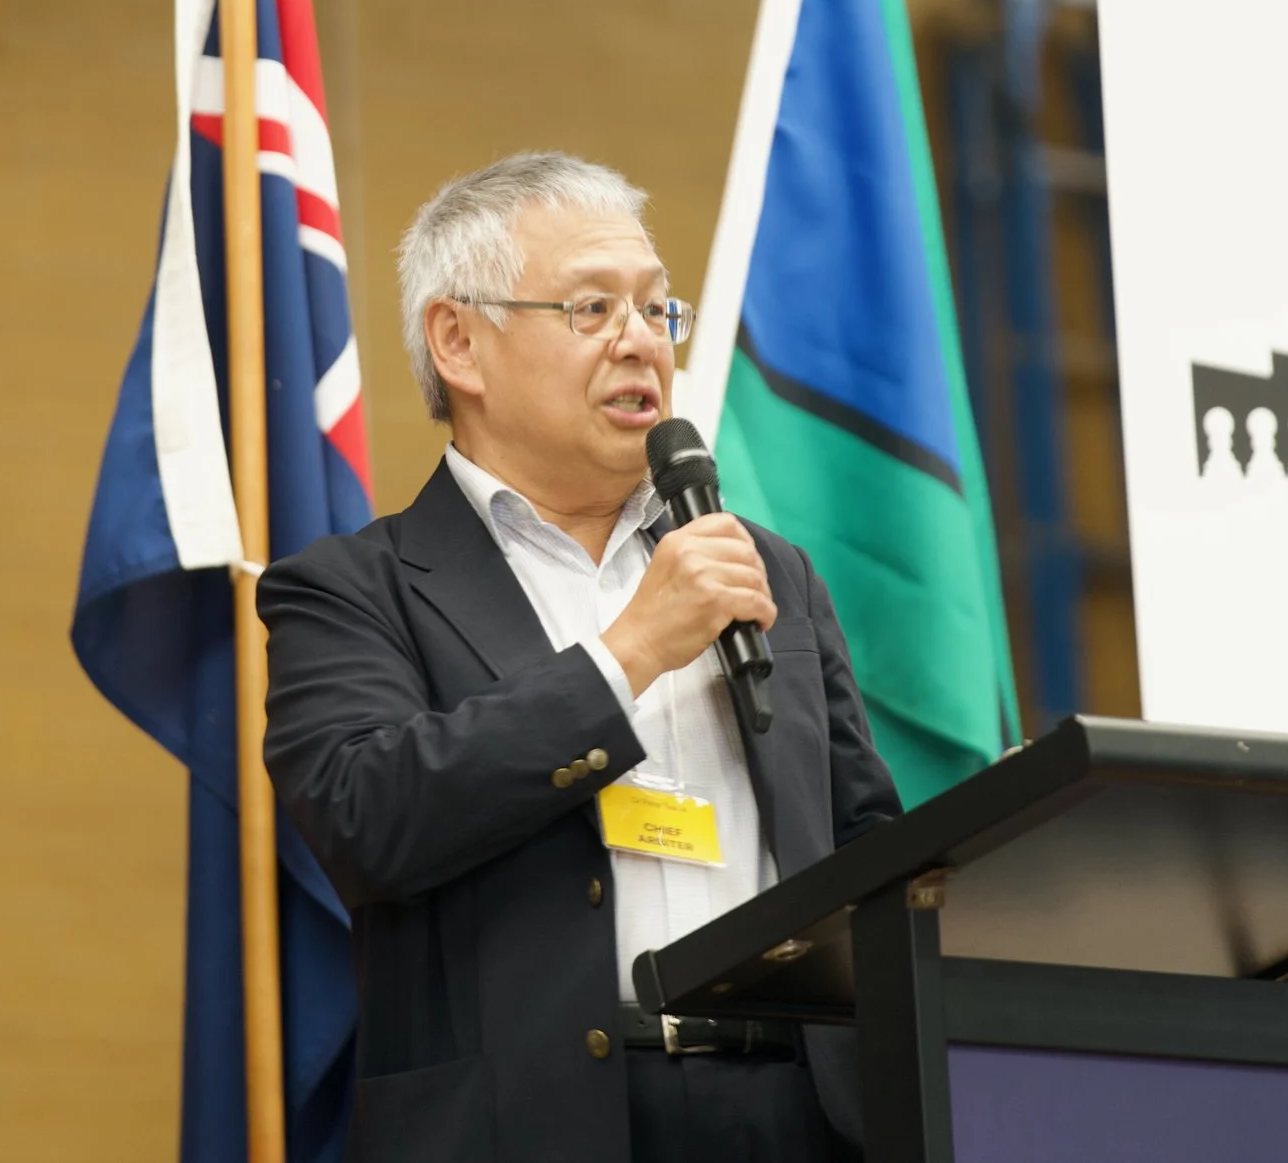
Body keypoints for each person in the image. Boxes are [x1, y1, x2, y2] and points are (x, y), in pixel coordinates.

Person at [260, 152, 901, 1163]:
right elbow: (366, 813)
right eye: (593, 308)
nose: (640, 340)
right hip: (536, 1122)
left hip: (795, 1115)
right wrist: (630, 651)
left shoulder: (759, 568)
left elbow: (866, 849)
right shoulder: (354, 586)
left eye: (656, 309)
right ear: (459, 340)